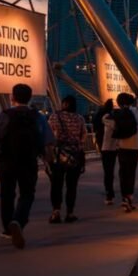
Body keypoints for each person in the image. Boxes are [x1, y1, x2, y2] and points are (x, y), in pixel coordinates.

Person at [0, 84, 55, 249]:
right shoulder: (38, 117)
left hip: (6, 161)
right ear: (30, 98)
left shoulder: (2, 116)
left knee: (6, 194)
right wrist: (48, 161)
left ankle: (7, 229)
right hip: (29, 161)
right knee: (27, 194)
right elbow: (48, 142)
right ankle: (18, 221)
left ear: (12, 97)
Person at [48, 95, 87, 224]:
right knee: (72, 185)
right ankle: (70, 213)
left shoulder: (54, 117)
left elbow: (50, 135)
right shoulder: (79, 118)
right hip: (74, 155)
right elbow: (83, 136)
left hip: (59, 155)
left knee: (56, 184)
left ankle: (56, 212)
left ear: (64, 104)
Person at [104, 93, 138, 212]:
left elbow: (106, 120)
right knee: (131, 173)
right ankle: (129, 197)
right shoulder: (135, 112)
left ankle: (124, 197)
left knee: (123, 173)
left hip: (122, 147)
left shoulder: (118, 113)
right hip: (134, 147)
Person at [96, 100, 118, 204]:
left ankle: (109, 192)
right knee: (111, 170)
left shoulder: (100, 117)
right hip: (113, 147)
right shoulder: (113, 118)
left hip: (104, 147)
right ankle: (110, 191)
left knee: (107, 171)